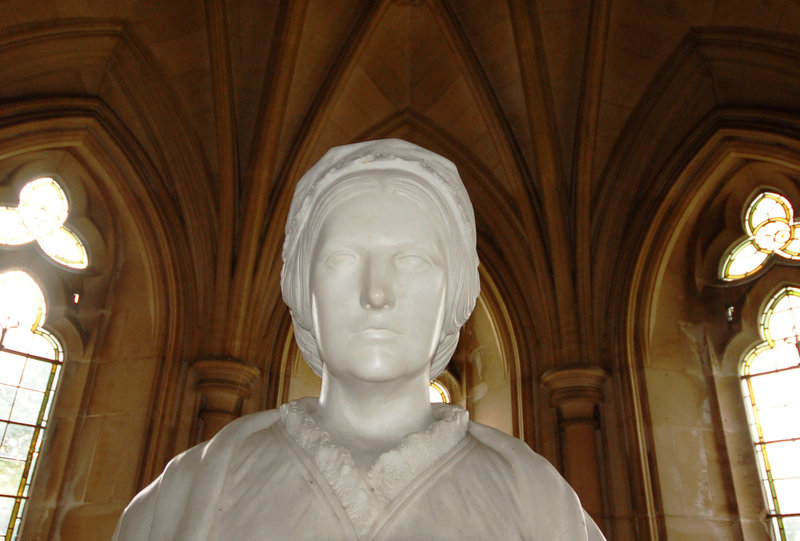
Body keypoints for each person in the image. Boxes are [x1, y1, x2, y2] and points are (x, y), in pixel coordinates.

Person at [112, 139, 605, 540]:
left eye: (411, 261)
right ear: (304, 290)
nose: (375, 293)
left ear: (454, 293)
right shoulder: (187, 491)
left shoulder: (541, 503)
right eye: (342, 260)